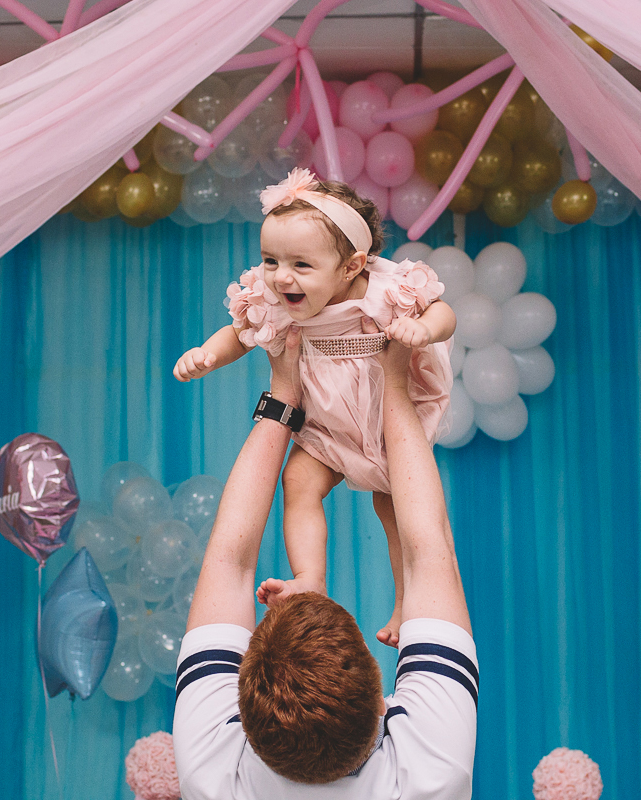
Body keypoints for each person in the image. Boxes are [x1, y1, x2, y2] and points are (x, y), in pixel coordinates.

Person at [173, 331, 476, 798]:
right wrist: (392, 385)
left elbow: (228, 562)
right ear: (382, 702)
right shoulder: (208, 774)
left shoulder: (435, 778)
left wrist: (287, 395)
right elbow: (429, 551)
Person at [173, 168, 455, 646]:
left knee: (395, 508)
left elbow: (442, 312)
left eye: (301, 265)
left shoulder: (385, 290)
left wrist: (423, 331)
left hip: (383, 410)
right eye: (269, 260)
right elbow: (241, 335)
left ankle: (408, 602)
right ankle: (310, 578)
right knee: (297, 480)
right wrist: (208, 355)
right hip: (327, 421)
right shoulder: (275, 298)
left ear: (351, 266)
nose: (281, 277)